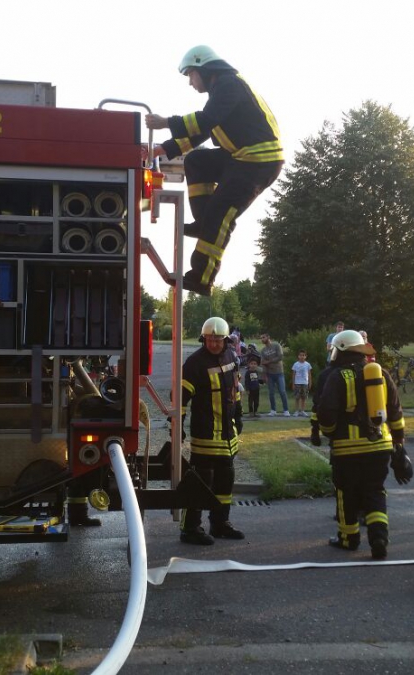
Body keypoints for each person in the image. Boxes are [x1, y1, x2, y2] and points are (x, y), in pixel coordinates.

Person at [145, 46, 284, 296]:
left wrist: (165, 122)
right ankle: (202, 223)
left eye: (190, 75)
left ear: (203, 69)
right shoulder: (221, 94)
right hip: (241, 158)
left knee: (221, 214)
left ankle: (201, 278)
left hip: (258, 164)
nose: (190, 82)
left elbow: (204, 121)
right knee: (196, 161)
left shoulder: (230, 85)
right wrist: (160, 150)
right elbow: (200, 132)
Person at [318, 330, 411, 559]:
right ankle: (379, 537)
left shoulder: (337, 376)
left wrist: (330, 434)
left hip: (346, 449)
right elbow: (396, 413)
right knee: (375, 490)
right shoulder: (381, 374)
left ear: (340, 350)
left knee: (346, 492)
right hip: (379, 446)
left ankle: (348, 539)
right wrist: (398, 442)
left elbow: (327, 414)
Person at [179, 316, 245, 545]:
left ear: (226, 340)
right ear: (203, 338)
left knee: (226, 480)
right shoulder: (194, 363)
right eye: (210, 340)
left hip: (228, 434)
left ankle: (220, 523)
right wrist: (177, 426)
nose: (214, 344)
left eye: (218, 340)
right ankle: (190, 528)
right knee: (200, 481)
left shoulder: (230, 356)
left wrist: (239, 414)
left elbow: (235, 388)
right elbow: (179, 398)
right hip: (206, 434)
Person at [259, 333, 289, 416]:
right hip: (269, 374)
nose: (262, 339)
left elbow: (280, 356)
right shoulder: (263, 350)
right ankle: (273, 410)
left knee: (282, 391)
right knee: (271, 392)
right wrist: (264, 375)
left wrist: (269, 361)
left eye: (263, 337)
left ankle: (286, 410)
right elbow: (263, 363)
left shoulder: (276, 345)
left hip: (279, 372)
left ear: (268, 337)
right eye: (261, 338)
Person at [292, 350, 313, 417]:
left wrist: (310, 382)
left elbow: (309, 374)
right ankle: (296, 411)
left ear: (305, 356)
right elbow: (293, 374)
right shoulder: (296, 364)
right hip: (297, 383)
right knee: (297, 397)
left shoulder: (307, 364)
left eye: (303, 355)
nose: (302, 357)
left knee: (303, 397)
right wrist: (293, 383)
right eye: (300, 355)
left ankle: (302, 410)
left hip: (305, 383)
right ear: (298, 356)